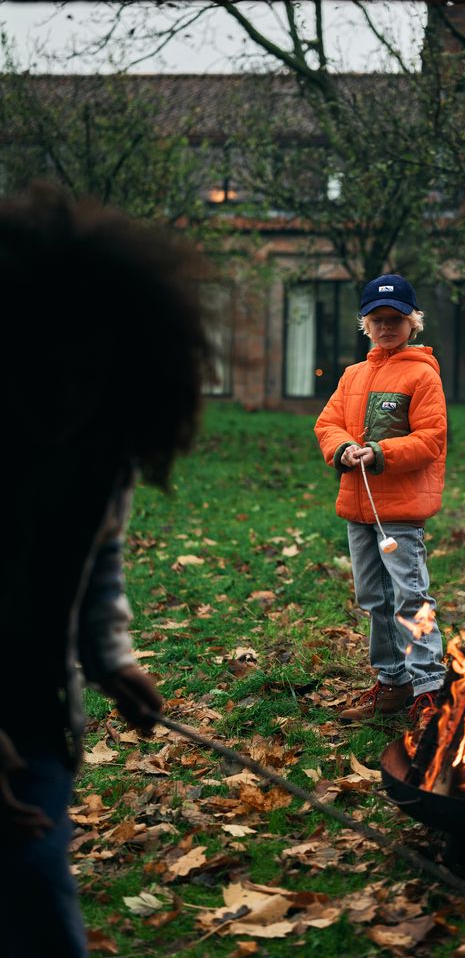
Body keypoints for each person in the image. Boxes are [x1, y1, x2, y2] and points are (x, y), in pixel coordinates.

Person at [0, 183, 210, 958]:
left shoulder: (102, 444)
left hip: (36, 711)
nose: (68, 396)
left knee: (30, 874)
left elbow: (99, 557)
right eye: (49, 369)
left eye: (91, 371)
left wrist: (109, 654)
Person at [314, 273, 447, 725]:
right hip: (358, 507)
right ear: (365, 324)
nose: (387, 326)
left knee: (411, 596)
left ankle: (430, 688)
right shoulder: (352, 375)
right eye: (377, 319)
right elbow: (327, 424)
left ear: (413, 322)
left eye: (396, 318)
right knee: (374, 597)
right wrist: (341, 448)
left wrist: (380, 453)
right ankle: (392, 683)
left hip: (400, 511)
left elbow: (431, 439)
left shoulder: (422, 376)